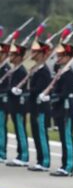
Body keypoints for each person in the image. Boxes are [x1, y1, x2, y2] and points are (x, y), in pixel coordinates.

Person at [14, 28, 52, 172]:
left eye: (36, 52)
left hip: (41, 108)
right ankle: (39, 160)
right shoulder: (35, 69)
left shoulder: (44, 71)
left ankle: (45, 161)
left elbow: (39, 89)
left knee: (41, 134)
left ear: (42, 54)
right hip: (34, 107)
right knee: (35, 134)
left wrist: (27, 91)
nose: (33, 54)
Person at [44, 32, 73, 177]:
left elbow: (65, 93)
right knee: (62, 138)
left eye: (61, 56)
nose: (58, 58)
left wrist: (52, 97)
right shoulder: (60, 71)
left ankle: (68, 167)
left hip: (66, 107)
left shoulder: (69, 73)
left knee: (67, 138)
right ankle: (64, 164)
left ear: (68, 57)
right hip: (60, 107)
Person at [5, 33, 29, 167]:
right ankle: (20, 154)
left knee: (20, 130)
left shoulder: (21, 71)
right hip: (13, 105)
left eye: (13, 55)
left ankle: (24, 156)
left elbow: (21, 89)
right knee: (17, 130)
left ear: (19, 57)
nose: (10, 57)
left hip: (19, 105)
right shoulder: (15, 70)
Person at [0, 27, 13, 163]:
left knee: (1, 128)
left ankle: (2, 153)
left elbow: (7, 88)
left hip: (2, 103)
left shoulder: (7, 69)